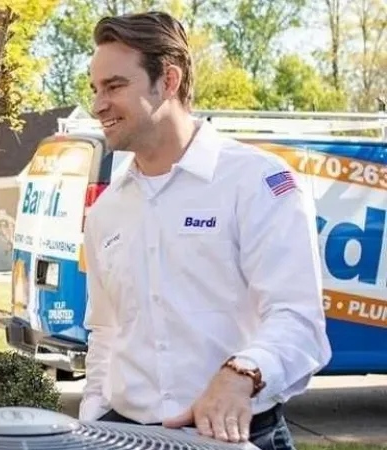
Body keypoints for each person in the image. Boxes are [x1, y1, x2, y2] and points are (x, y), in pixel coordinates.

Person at [79, 11, 331, 450]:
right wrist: (92, 422)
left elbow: (298, 320)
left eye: (115, 86)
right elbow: (105, 332)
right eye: (96, 90)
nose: (99, 104)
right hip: (126, 436)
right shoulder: (106, 211)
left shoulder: (257, 181)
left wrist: (242, 374)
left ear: (169, 81)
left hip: (240, 437)